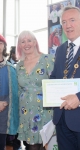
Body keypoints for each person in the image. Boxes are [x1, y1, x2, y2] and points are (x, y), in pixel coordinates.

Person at [16, 30, 54, 150]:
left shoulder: (48, 59)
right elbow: (18, 90)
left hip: (45, 111)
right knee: (31, 146)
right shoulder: (19, 65)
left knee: (45, 146)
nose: (26, 44)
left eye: (29, 40)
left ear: (35, 42)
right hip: (26, 112)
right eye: (23, 41)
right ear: (20, 46)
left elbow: (55, 84)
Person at [50, 6, 80, 150]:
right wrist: (48, 88)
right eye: (64, 22)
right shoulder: (61, 49)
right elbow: (56, 76)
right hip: (61, 118)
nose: (68, 25)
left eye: (72, 20)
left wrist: (79, 97)